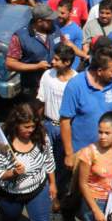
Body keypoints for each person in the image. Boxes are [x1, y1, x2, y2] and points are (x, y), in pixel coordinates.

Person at [0, 102, 57, 221]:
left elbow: (49, 160)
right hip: (9, 196)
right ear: (16, 124)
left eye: (33, 126)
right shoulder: (2, 144)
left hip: (38, 190)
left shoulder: (42, 137)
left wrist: (52, 184)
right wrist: (12, 173)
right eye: (26, 127)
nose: (30, 130)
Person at [59, 47, 112, 172]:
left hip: (107, 152)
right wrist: (69, 154)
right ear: (99, 71)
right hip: (82, 153)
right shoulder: (75, 86)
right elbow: (65, 121)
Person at [36, 43, 76, 198]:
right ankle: (46, 193)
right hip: (48, 125)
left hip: (68, 129)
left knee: (63, 164)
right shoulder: (47, 75)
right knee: (46, 160)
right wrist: (38, 123)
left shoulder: (76, 80)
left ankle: (59, 195)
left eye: (57, 59)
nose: (53, 62)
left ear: (67, 62)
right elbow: (41, 100)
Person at [5, 3, 62, 97]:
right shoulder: (20, 37)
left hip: (53, 83)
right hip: (32, 87)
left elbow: (64, 44)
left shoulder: (54, 30)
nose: (53, 21)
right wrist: (36, 66)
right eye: (49, 20)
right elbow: (10, 63)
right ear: (39, 21)